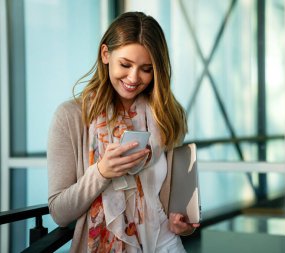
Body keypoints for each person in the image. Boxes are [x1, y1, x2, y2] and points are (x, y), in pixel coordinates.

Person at [47, 11, 199, 253]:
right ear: (106, 54)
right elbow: (59, 212)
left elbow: (173, 200)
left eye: (146, 69)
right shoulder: (70, 117)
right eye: (125, 65)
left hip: (165, 244)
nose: (133, 78)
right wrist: (102, 172)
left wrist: (182, 222)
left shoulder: (167, 115)